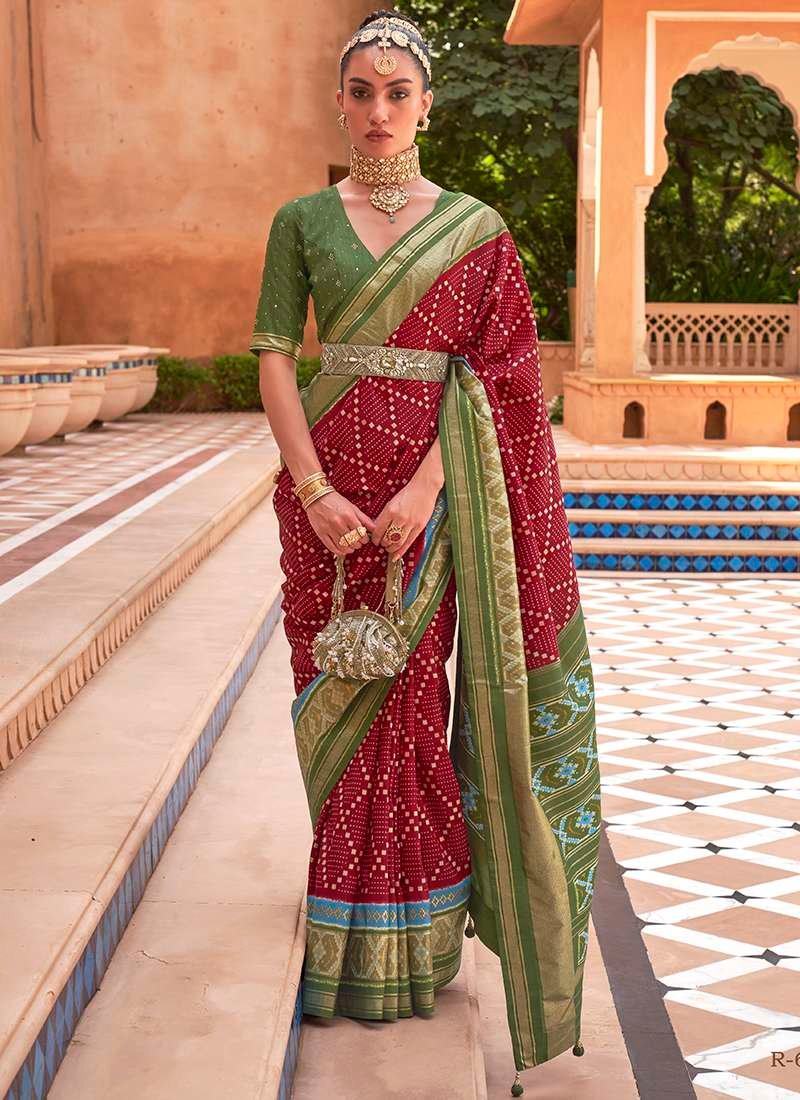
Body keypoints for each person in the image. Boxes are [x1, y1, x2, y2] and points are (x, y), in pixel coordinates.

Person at [250, 9, 601, 1095]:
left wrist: (424, 487)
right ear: (339, 102)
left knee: (406, 700)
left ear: (427, 106)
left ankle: (416, 938)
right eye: (361, 91)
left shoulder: (474, 229)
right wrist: (314, 489)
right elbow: (274, 355)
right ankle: (344, 929)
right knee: (331, 690)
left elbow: (500, 379)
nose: (378, 111)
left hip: (426, 508)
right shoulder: (302, 220)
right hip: (321, 507)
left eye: (397, 92)